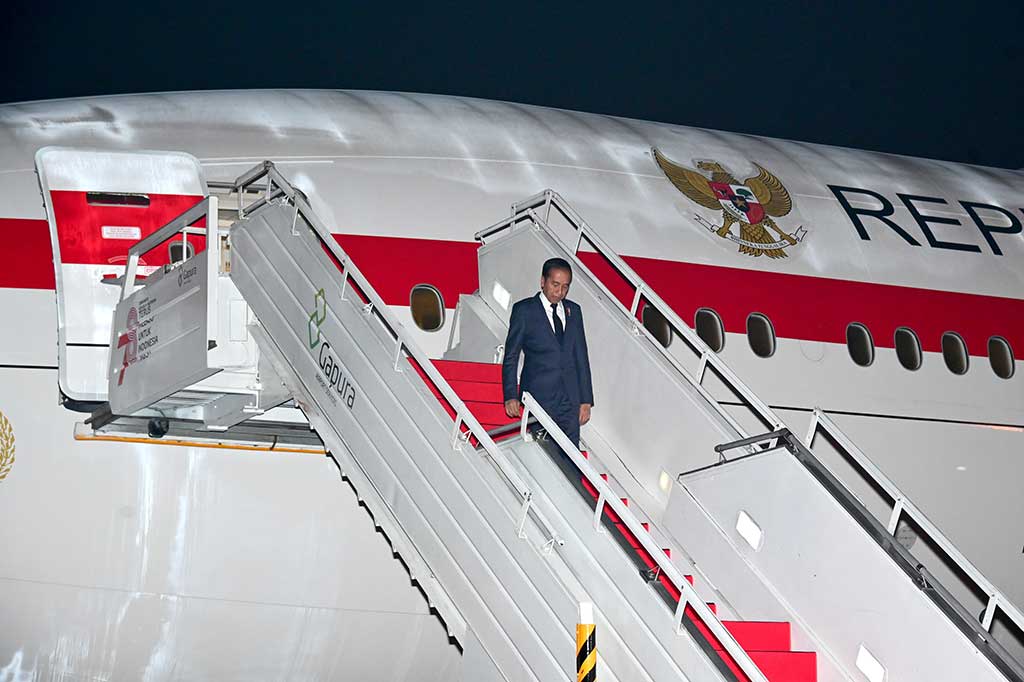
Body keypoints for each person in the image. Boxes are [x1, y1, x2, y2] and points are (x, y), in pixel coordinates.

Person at [502, 257, 594, 448]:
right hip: (538, 397)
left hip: (569, 398)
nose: (560, 292)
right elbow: (511, 356)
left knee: (570, 454)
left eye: (565, 287)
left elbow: (581, 356)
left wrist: (586, 400)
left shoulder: (574, 311)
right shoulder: (524, 310)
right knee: (544, 452)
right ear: (543, 281)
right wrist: (510, 395)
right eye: (555, 285)